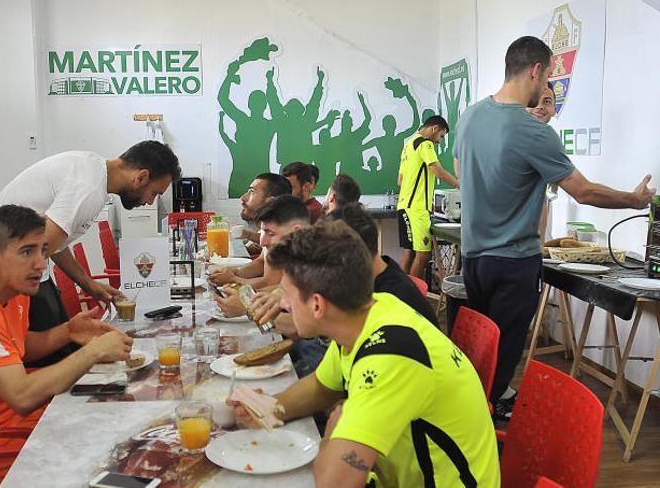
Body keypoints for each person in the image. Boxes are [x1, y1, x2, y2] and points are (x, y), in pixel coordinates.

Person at [455, 36, 655, 416]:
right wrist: (633, 200)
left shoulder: (470, 117)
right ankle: (476, 437)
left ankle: (473, 413)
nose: (547, 85)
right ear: (535, 70)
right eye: (547, 76)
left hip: (474, 259)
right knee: (500, 360)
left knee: (481, 353)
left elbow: (472, 177)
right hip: (512, 263)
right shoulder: (532, 132)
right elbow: (583, 191)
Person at [231, 222, 500, 487]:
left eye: (287, 294)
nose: (283, 303)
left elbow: (335, 483)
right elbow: (321, 387)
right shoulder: (366, 315)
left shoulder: (391, 355)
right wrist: (268, 408)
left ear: (317, 305)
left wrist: (336, 427)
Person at [0, 205, 133, 485]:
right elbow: (21, 396)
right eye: (26, 252)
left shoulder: (12, 290)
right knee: (117, 446)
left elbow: (21, 348)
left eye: (43, 250)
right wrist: (94, 351)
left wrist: (68, 331)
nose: (40, 263)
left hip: (7, 422)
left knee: (118, 412)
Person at [0, 141, 179, 366]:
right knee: (55, 360)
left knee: (66, 348)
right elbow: (41, 252)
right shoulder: (88, 188)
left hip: (15, 271)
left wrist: (90, 285)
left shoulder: (92, 170)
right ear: (140, 177)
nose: (150, 201)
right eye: (154, 193)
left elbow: (54, 243)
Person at [250, 203, 439, 376]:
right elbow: (325, 380)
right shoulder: (361, 287)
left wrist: (253, 309)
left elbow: (302, 328)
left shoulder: (387, 301)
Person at [213, 195, 310, 316]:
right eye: (263, 231)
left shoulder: (316, 265)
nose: (262, 242)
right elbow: (280, 291)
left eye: (270, 233)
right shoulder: (294, 256)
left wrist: (249, 308)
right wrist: (243, 294)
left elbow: (299, 329)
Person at [397, 115, 459, 280]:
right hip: (416, 210)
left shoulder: (408, 145)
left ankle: (401, 296)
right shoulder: (425, 144)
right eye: (441, 136)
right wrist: (460, 185)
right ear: (434, 128)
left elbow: (401, 180)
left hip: (404, 207)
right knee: (423, 256)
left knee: (408, 254)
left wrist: (424, 200)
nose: (439, 141)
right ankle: (414, 296)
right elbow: (437, 171)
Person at [219, 171, 291, 260]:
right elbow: (260, 263)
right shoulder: (267, 225)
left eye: (252, 192)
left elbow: (269, 272)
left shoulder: (286, 232)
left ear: (271, 202)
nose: (243, 197)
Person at [527, 82, 557, 243]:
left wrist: (540, 245)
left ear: (554, 109)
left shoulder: (546, 142)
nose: (540, 107)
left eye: (547, 101)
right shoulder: (507, 136)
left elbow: (541, 199)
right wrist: (632, 199)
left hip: (530, 250)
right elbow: (582, 192)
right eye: (534, 101)